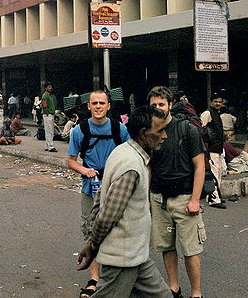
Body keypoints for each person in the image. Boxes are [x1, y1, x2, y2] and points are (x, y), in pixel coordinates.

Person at [77, 106, 170, 298]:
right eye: (160, 130)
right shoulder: (131, 166)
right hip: (122, 258)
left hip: (136, 255)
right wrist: (93, 244)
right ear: (144, 134)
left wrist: (92, 242)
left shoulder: (123, 152)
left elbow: (100, 199)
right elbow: (108, 214)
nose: (165, 136)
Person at [68, 90, 130, 298]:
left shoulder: (119, 129)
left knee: (118, 231)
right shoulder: (79, 130)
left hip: (116, 188)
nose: (98, 106)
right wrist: (84, 170)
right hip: (90, 187)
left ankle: (115, 277)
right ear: (88, 106)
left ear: (109, 106)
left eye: (102, 103)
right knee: (91, 231)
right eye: (94, 103)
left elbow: (131, 154)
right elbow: (70, 160)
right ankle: (95, 279)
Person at [148, 86, 206, 298]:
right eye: (154, 105)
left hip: (184, 199)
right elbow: (149, 168)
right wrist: (148, 199)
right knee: (166, 247)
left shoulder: (187, 130)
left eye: (161, 104)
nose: (158, 108)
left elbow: (200, 166)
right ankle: (174, 289)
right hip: (159, 199)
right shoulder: (149, 132)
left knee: (191, 250)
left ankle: (196, 293)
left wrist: (195, 200)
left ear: (170, 105)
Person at [200, 93, 227, 209]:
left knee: (219, 173)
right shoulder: (207, 113)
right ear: (211, 102)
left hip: (218, 148)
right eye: (216, 101)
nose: (218, 104)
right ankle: (214, 200)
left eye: (220, 102)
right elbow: (200, 129)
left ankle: (215, 196)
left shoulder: (217, 114)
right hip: (211, 149)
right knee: (214, 174)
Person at [41, 83, 57, 152]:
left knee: (48, 131)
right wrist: (47, 113)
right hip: (48, 115)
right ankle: (51, 146)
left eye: (51, 87)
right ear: (46, 88)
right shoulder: (45, 95)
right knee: (50, 131)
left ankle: (47, 146)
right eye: (49, 87)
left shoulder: (49, 96)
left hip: (49, 114)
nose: (50, 88)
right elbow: (44, 105)